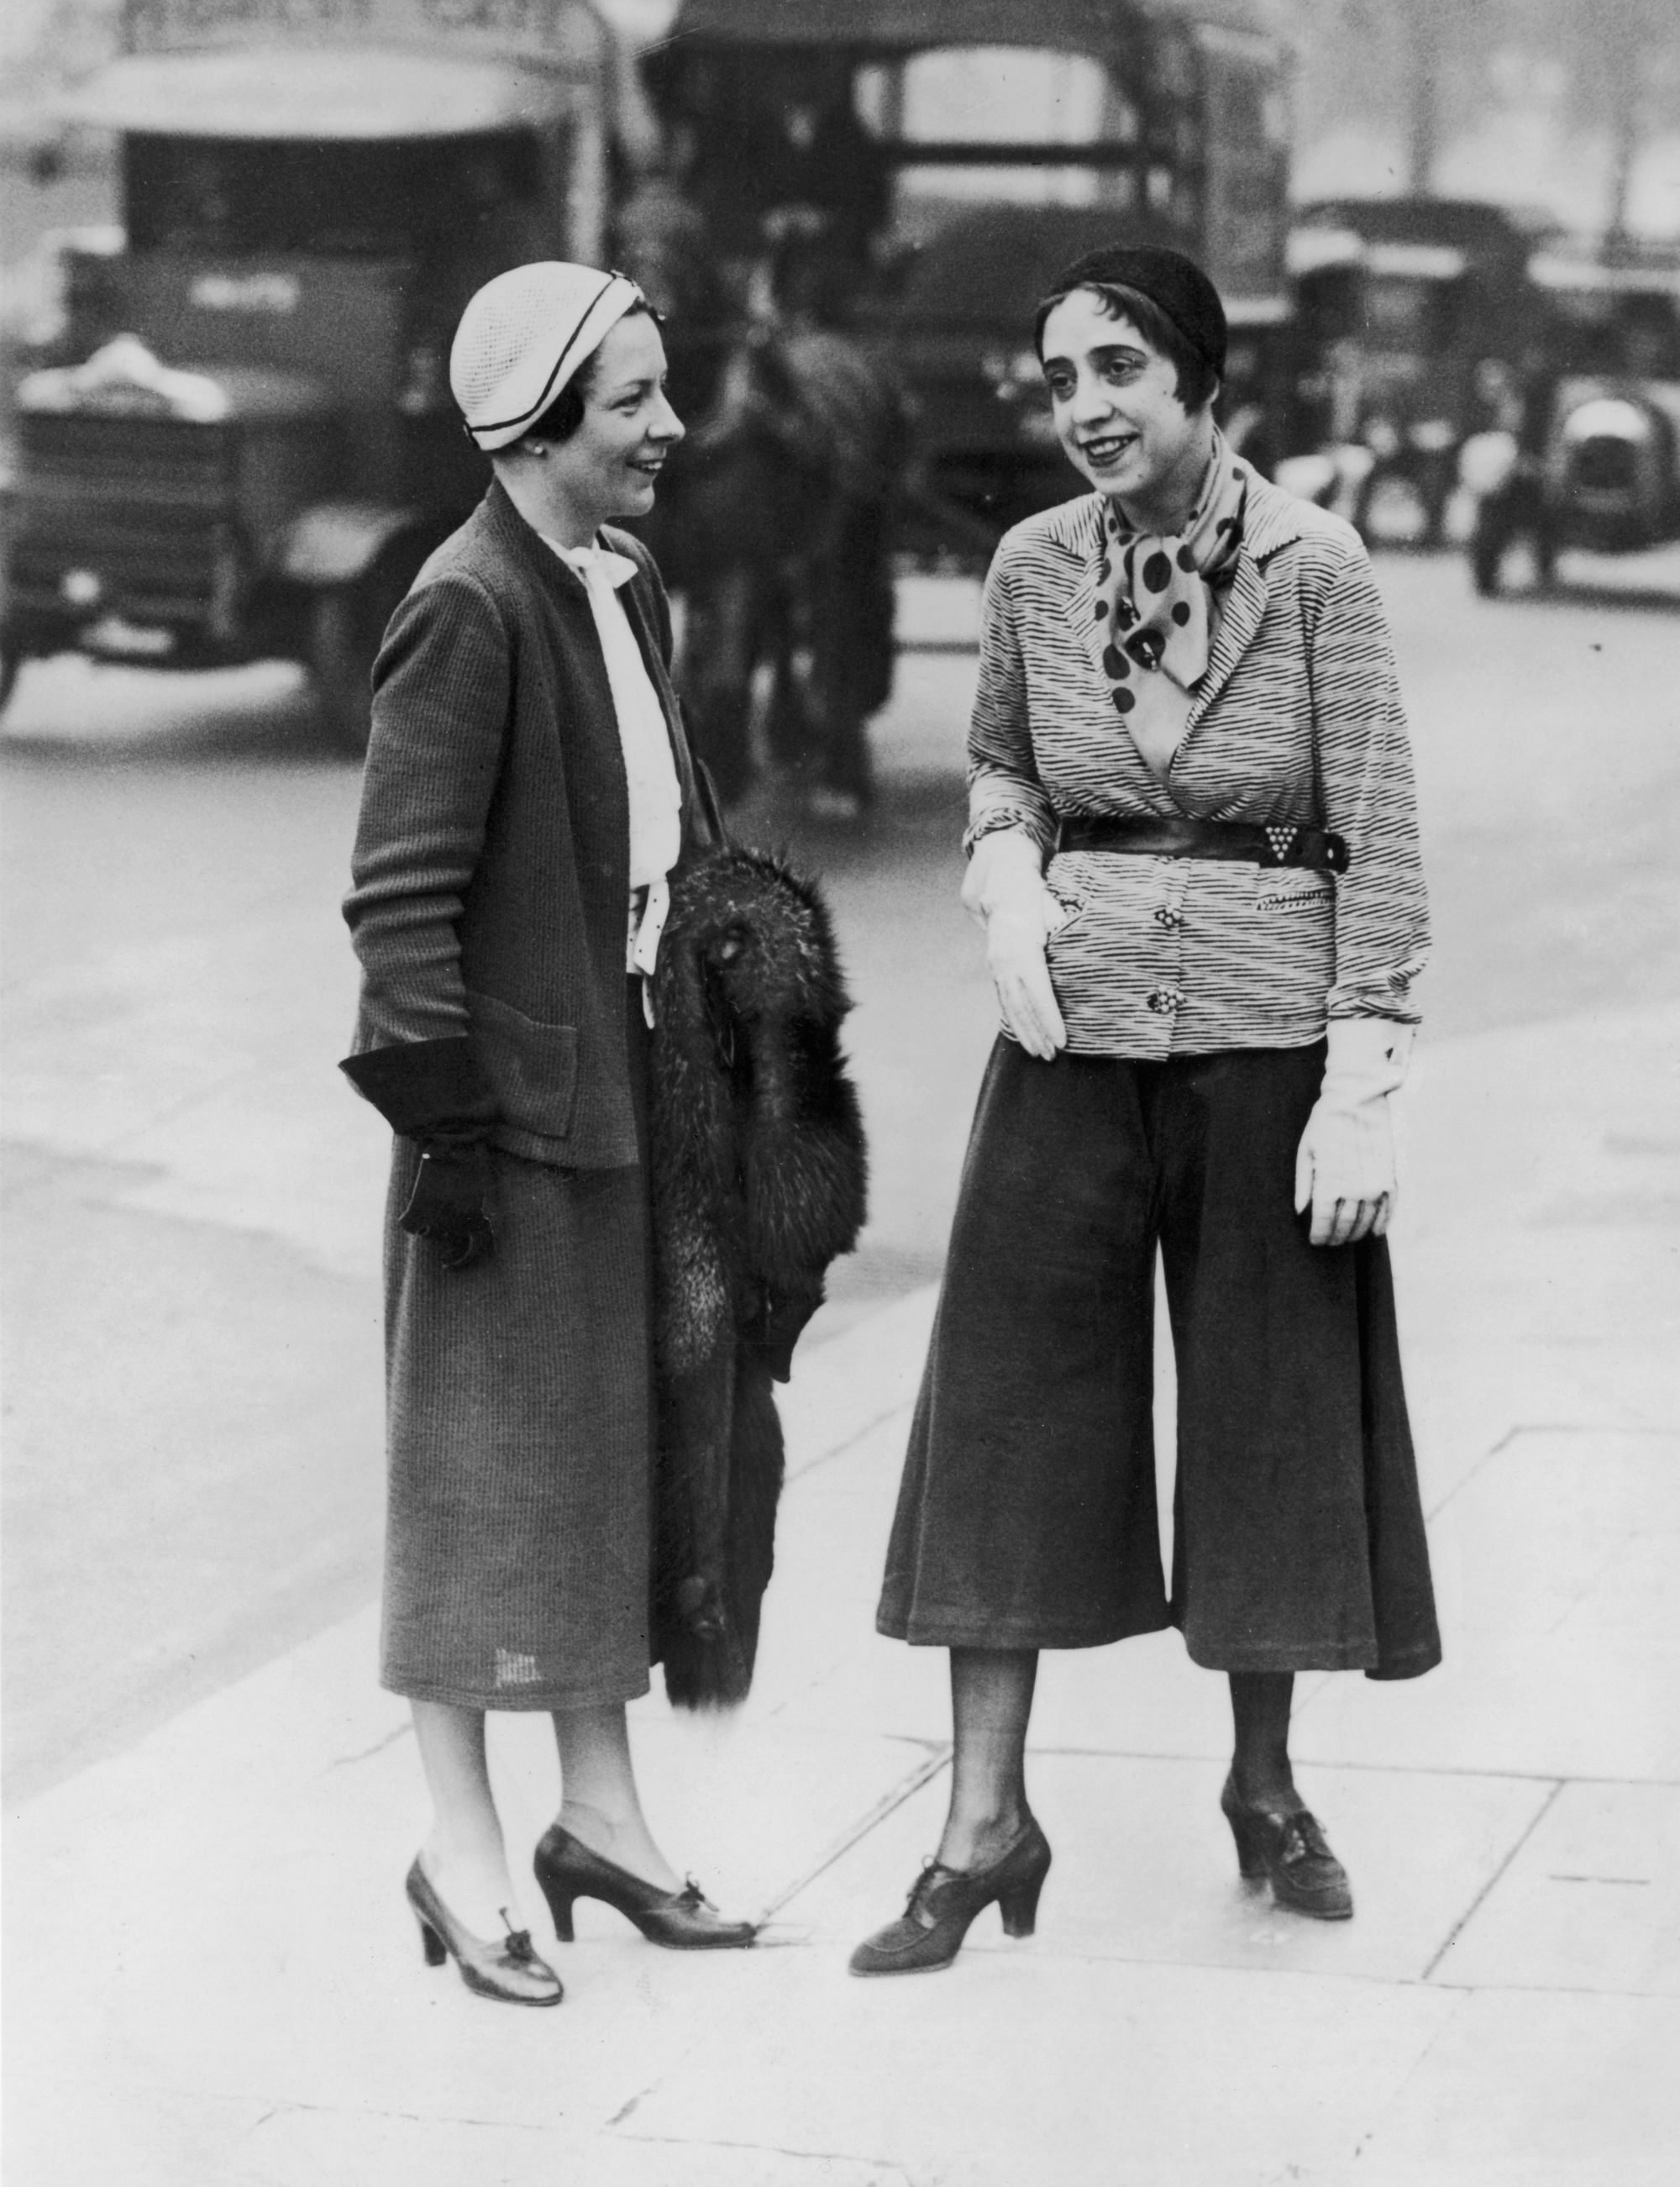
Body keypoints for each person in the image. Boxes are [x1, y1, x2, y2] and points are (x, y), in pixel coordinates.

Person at [850, 245, 1440, 1978]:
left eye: (1117, 369)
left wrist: (1364, 1076)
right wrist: (1002, 866)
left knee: (1264, 1409)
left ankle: (1262, 1788)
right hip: (1072, 1029)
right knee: (1008, 1409)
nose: (1085, 407)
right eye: (1058, 381)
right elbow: (1003, 757)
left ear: (1198, 379)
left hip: (1267, 1037)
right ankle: (980, 1821)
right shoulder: (1034, 566)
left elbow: (1379, 830)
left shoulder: (1317, 571)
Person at [341, 262, 756, 2008]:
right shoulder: (469, 604)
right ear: (536, 421)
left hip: (627, 1102)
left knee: (604, 1474)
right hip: (503, 1140)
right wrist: (449, 1139)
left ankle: (604, 1820)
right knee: (476, 1491)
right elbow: (397, 898)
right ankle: (460, 1852)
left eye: (664, 393)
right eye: (635, 401)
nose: (670, 427)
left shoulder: (620, 579)